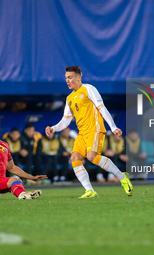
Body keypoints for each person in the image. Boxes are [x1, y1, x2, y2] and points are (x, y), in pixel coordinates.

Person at [45, 66, 132, 198]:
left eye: (70, 77)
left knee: (92, 157)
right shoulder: (69, 98)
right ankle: (90, 191)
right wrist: (53, 128)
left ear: (78, 77)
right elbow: (65, 121)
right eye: (66, 78)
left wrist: (113, 127)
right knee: (74, 158)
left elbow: (102, 108)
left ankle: (122, 177)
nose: (67, 81)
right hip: (82, 133)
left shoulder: (88, 89)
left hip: (94, 129)